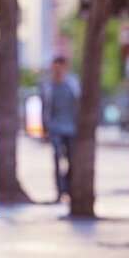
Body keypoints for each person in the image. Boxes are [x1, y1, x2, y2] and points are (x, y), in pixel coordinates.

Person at [41, 56, 79, 202]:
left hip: (71, 128)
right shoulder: (48, 85)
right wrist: (46, 128)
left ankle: (68, 188)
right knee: (57, 159)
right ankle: (59, 191)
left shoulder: (72, 84)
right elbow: (45, 107)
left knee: (71, 160)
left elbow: (78, 103)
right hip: (55, 128)